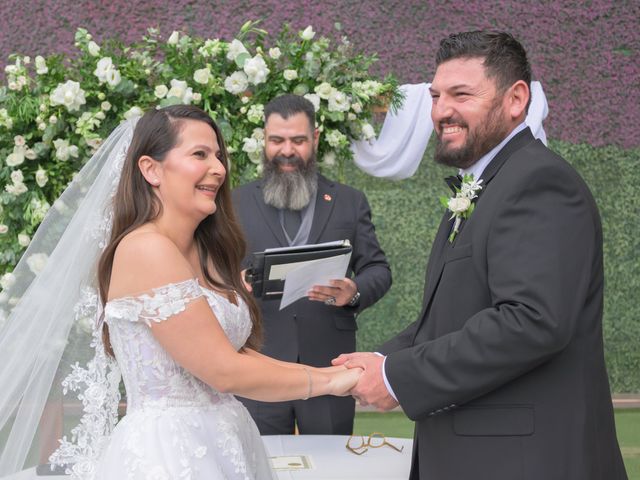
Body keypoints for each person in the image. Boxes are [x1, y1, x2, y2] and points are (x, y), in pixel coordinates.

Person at [0, 105, 361, 479]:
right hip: (170, 454)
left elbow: (239, 355)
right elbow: (224, 371)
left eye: (218, 155)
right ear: (151, 169)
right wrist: (329, 382)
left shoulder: (206, 253)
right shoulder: (146, 249)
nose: (219, 169)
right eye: (199, 155)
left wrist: (328, 372)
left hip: (228, 438)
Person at [334, 31, 628, 479]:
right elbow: (452, 317)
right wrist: (379, 360)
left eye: (461, 94)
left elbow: (531, 322)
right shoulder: (489, 185)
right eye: (435, 96)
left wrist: (398, 376)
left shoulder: (539, 183)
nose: (440, 111)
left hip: (525, 462)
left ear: (516, 99)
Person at [232, 94, 391, 435]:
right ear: (264, 139)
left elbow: (378, 270)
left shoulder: (350, 201)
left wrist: (355, 290)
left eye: (298, 140)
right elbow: (207, 272)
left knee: (332, 465)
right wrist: (233, 282)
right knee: (260, 463)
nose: (287, 150)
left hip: (330, 364)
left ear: (315, 139)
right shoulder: (235, 202)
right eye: (277, 140)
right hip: (259, 361)